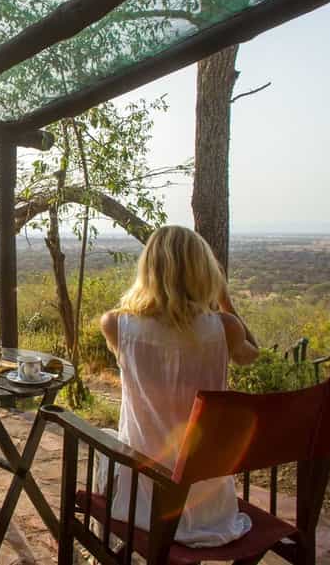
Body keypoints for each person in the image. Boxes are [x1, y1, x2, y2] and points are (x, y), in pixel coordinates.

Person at [97, 225, 260, 547]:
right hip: (210, 505)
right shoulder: (225, 328)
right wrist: (226, 302)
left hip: (141, 501)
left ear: (148, 271)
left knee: (106, 440)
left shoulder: (116, 324)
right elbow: (251, 355)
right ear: (205, 272)